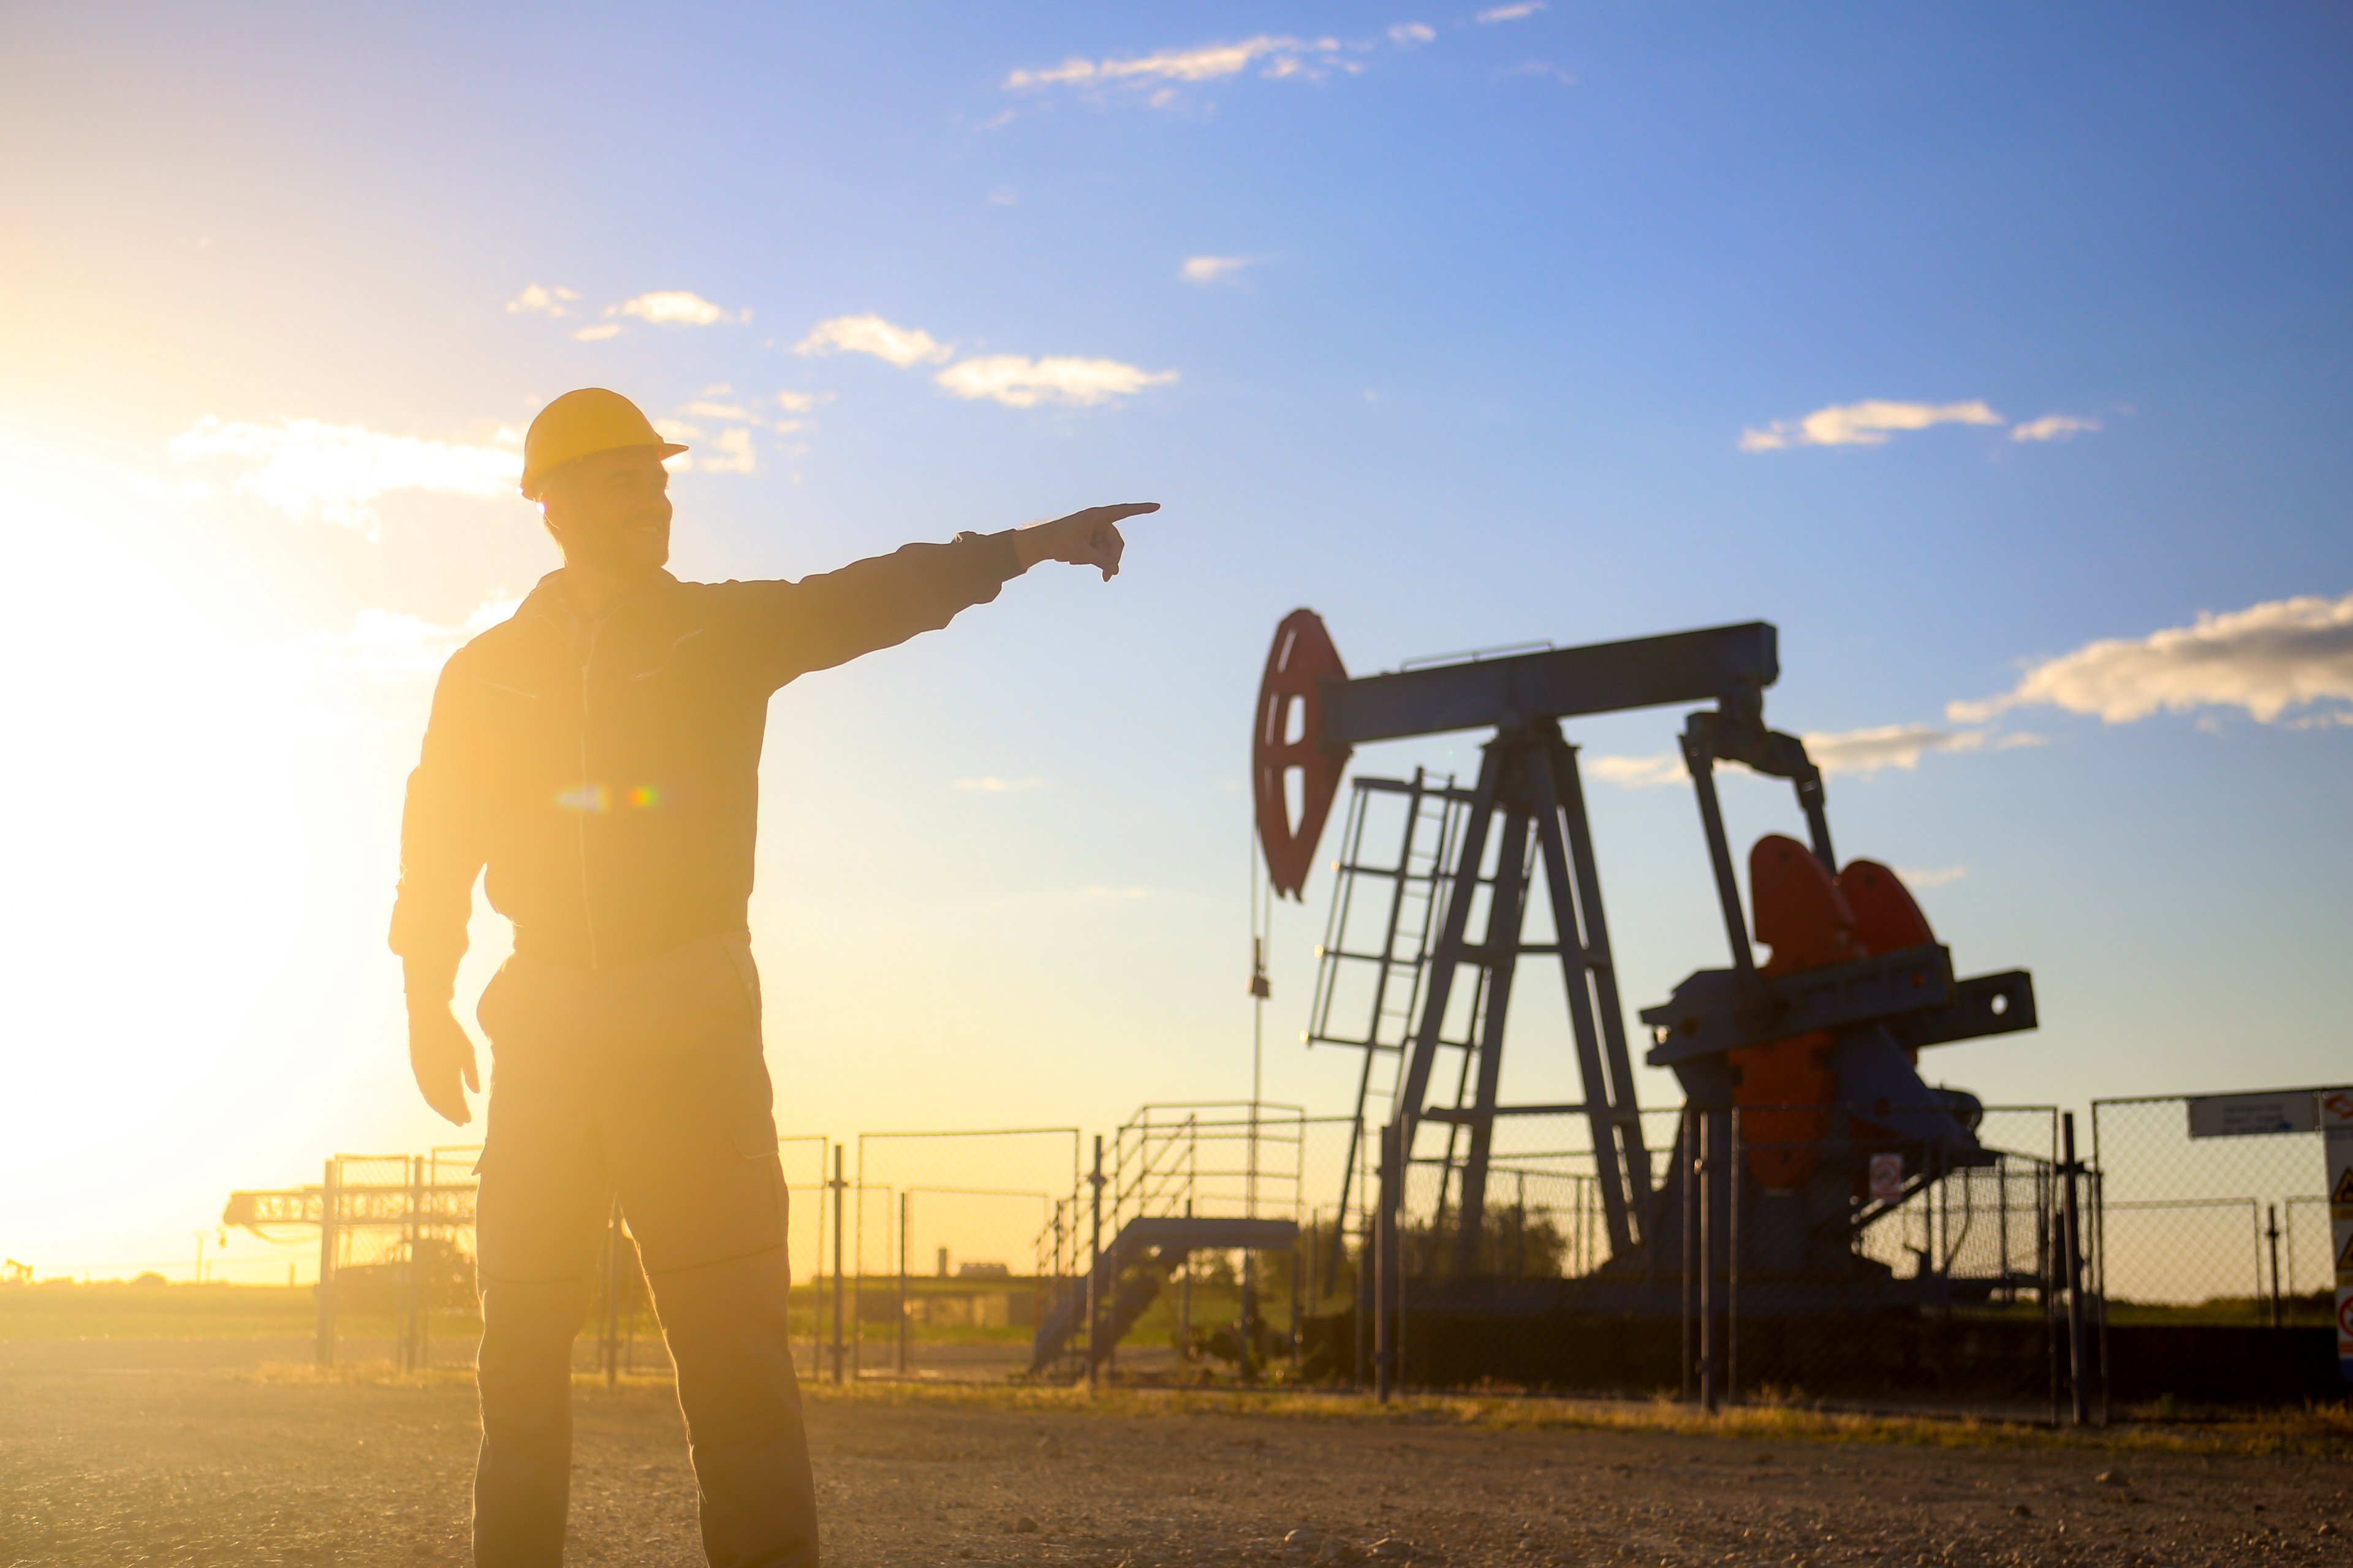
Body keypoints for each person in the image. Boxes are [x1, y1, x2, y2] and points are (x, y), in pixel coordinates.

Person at [391, 387, 1156, 1567]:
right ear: (549, 503)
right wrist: (425, 996)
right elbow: (439, 837)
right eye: (625, 478)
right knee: (521, 1368)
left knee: (737, 1364)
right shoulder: (484, 677)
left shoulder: (717, 632)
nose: (657, 495)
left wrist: (1017, 549)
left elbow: (865, 599)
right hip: (541, 1023)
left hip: (689, 1021)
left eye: (659, 476)